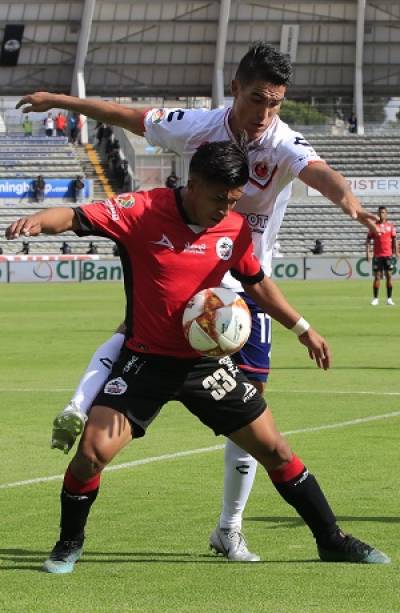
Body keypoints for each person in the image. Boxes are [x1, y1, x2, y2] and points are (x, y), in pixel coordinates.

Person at [16, 42, 380, 562]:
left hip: (239, 297)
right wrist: (60, 99)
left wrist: (351, 205)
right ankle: (74, 493)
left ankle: (253, 529)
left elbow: (320, 174)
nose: (265, 114)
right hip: (166, 332)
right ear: (234, 89)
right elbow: (122, 121)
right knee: (121, 374)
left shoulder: (270, 160)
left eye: (276, 103)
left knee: (268, 436)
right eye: (258, 100)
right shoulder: (187, 141)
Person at [366, 206, 398, 306]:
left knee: (389, 276)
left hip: (388, 255)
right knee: (377, 277)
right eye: (380, 212)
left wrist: (396, 252)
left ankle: (389, 299)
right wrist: (368, 252)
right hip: (377, 255)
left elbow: (394, 240)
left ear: (386, 214)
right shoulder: (374, 227)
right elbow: (368, 240)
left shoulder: (391, 226)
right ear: (378, 214)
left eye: (383, 212)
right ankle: (375, 299)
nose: (381, 214)